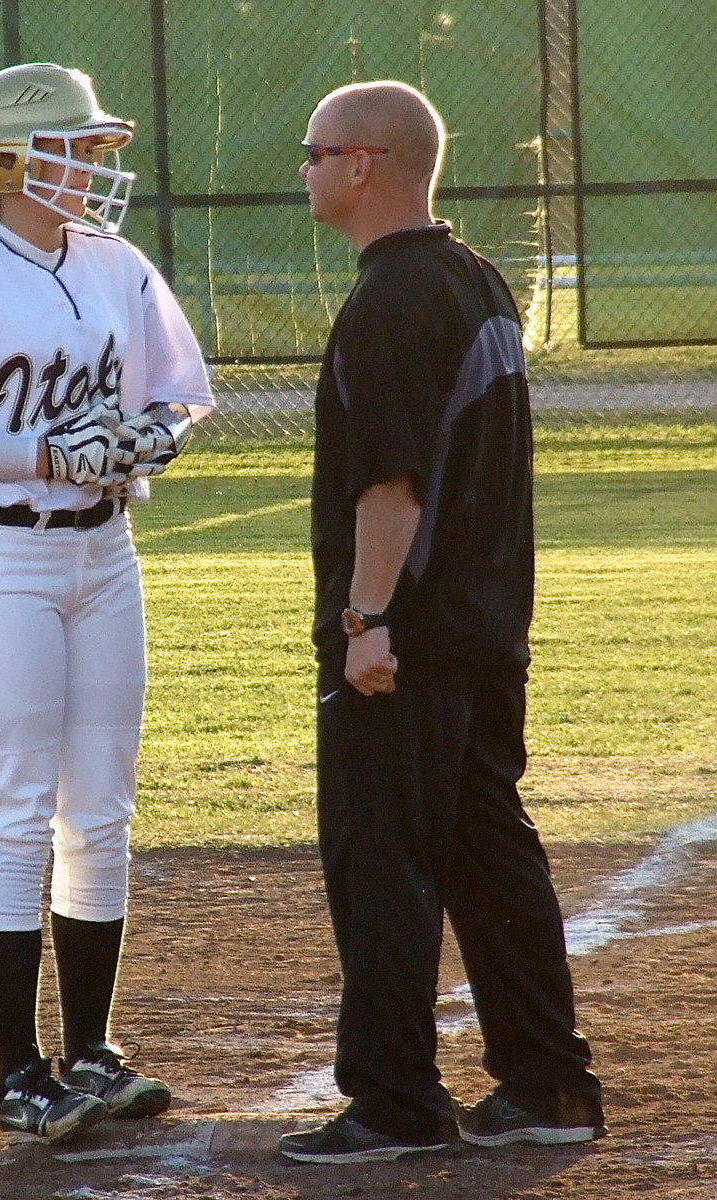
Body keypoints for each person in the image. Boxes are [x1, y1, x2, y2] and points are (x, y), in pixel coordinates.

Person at [0, 62, 213, 1145]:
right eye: (73, 147)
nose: (94, 165)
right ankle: (18, 1073)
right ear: (6, 158)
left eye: (94, 147)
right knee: (15, 813)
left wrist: (152, 435)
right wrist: (43, 451)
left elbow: (180, 390)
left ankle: (91, 1054)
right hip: (1, 559)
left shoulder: (113, 262)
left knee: (100, 811)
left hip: (107, 555)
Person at [277, 81, 606, 1165]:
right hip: (482, 631)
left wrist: (364, 621)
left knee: (385, 866)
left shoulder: (391, 299)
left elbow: (393, 489)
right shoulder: (473, 277)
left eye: (318, 153)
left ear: (364, 164)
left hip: (408, 646)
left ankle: (392, 1105)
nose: (307, 171)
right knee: (487, 858)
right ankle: (546, 1084)